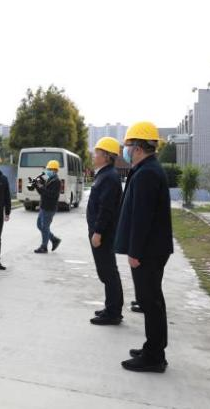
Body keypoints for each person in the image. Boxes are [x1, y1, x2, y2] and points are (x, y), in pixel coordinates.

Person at [115, 122, 173, 373]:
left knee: (150, 302)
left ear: (138, 148)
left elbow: (142, 216)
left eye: (128, 146)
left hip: (148, 251)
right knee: (152, 300)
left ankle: (154, 356)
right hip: (153, 249)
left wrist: (135, 251)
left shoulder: (147, 173)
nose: (126, 151)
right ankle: (154, 348)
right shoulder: (147, 169)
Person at [87, 137, 124, 326]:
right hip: (100, 231)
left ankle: (113, 312)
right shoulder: (104, 174)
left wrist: (98, 232)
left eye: (97, 152)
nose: (94, 155)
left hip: (103, 233)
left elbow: (106, 208)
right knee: (106, 271)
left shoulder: (109, 177)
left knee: (108, 272)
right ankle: (111, 307)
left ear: (106, 156)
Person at [33, 160, 62, 254]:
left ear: (55, 170)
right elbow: (42, 193)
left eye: (50, 169)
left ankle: (44, 247)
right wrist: (36, 185)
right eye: (48, 169)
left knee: (45, 227)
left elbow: (51, 195)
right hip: (43, 207)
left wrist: (41, 187)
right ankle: (54, 239)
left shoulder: (56, 182)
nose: (48, 170)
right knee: (39, 225)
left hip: (49, 208)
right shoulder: (50, 179)